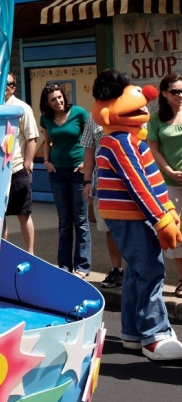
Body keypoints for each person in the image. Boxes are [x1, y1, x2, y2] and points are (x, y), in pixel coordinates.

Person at [93, 69, 182, 361]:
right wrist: (161, 218)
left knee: (135, 270)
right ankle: (154, 335)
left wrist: (166, 209)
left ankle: (133, 332)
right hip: (131, 215)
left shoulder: (125, 139)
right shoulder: (120, 141)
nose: (144, 103)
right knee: (150, 270)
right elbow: (138, 184)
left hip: (131, 215)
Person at [39, 82, 91, 275]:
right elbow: (47, 141)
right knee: (64, 221)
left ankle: (82, 266)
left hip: (78, 171)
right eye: (53, 100)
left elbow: (91, 139)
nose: (58, 102)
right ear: (47, 103)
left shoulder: (79, 113)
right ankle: (64, 266)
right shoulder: (46, 119)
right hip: (57, 173)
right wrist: (46, 161)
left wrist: (87, 163)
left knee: (81, 220)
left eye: (60, 97)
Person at [146, 73, 182, 297]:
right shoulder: (156, 118)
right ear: (165, 93)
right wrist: (168, 171)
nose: (180, 95)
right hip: (170, 183)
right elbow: (153, 148)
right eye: (176, 91)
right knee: (177, 232)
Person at [81, 116, 124, 289]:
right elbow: (89, 150)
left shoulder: (134, 109)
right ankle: (117, 269)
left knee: (134, 229)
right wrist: (87, 181)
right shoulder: (93, 117)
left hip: (129, 184)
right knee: (109, 229)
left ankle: (137, 272)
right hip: (103, 184)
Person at [3, 72, 37, 252]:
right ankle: (2, 253)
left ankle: (30, 253)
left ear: (13, 87)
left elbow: (32, 137)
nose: (3, 86)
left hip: (16, 169)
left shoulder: (22, 108)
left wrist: (28, 163)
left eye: (7, 83)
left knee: (24, 214)